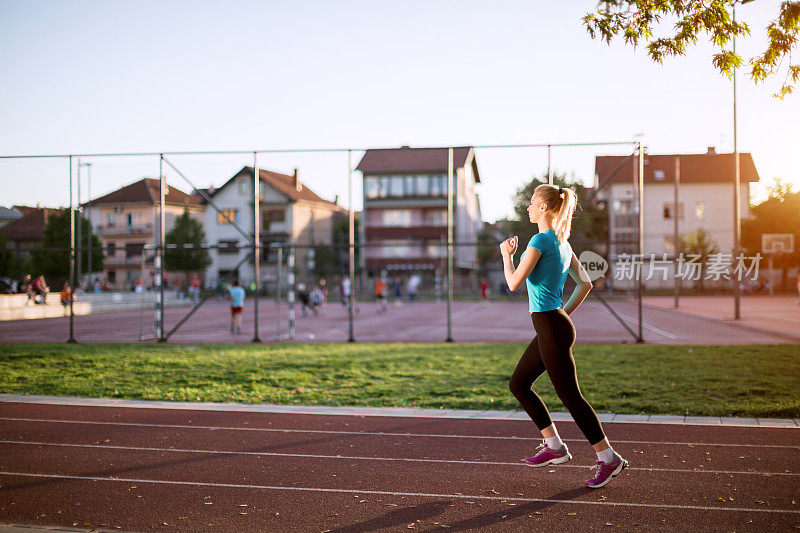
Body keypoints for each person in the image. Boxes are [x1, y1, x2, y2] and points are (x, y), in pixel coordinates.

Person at [501, 184, 627, 489]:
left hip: (552, 326)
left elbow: (513, 283)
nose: (528, 207)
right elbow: (586, 285)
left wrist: (506, 255)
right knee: (519, 383)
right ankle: (554, 447)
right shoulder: (562, 242)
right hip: (554, 324)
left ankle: (608, 458)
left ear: (544, 207)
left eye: (532, 203)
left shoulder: (540, 240)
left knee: (571, 397)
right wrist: (563, 314)